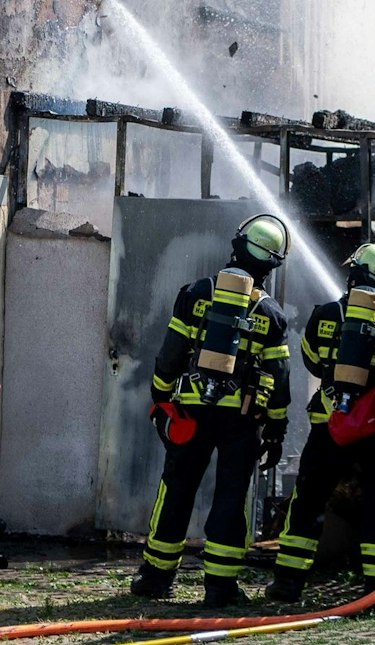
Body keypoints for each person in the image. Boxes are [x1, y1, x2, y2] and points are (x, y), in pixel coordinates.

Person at [130, 214, 293, 607]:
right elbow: (280, 376)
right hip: (242, 420)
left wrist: (162, 398)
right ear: (272, 264)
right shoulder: (271, 314)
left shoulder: (195, 292)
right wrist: (275, 430)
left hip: (192, 410)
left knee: (177, 489)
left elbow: (171, 354)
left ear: (237, 245)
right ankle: (220, 587)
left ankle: (155, 578)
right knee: (231, 497)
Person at [265, 242, 375, 607]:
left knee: (308, 501)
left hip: (329, 426)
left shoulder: (325, 314)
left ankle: (287, 584)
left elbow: (313, 361)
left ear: (356, 273)